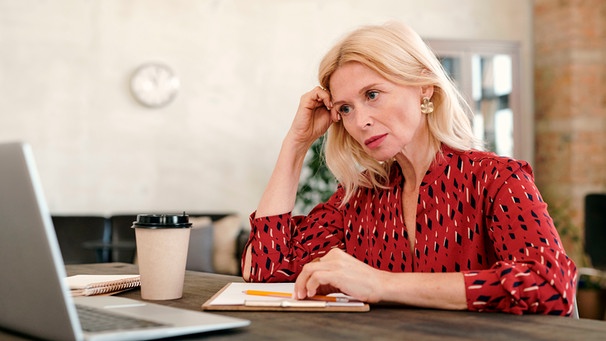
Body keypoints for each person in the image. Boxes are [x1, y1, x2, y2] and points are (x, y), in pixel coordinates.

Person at [241, 21, 577, 316]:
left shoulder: (497, 180)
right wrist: (296, 143)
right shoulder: (359, 197)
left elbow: (549, 283)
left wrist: (382, 284)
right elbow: (266, 269)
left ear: (423, 87)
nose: (361, 121)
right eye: (345, 108)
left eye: (372, 94)